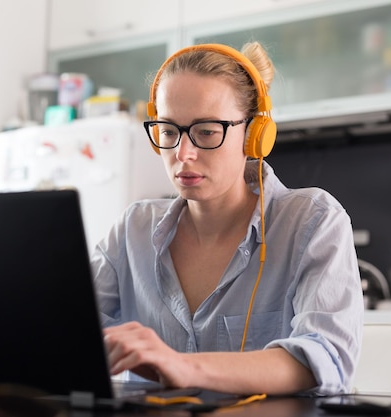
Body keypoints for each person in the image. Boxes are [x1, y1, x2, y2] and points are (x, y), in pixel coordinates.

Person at [90, 42, 363, 396]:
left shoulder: (312, 222)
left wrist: (182, 366)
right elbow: (67, 329)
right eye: (169, 132)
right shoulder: (133, 229)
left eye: (206, 132)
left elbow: (326, 357)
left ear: (252, 135)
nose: (183, 154)